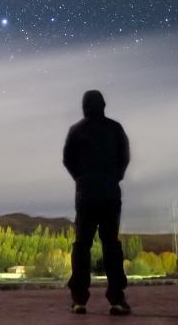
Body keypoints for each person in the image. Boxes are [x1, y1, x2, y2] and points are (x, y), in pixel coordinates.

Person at [63, 89, 131, 316]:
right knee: (111, 245)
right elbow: (124, 157)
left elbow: (68, 160)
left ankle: (79, 299)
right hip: (110, 194)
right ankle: (117, 300)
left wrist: (81, 179)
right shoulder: (115, 128)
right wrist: (114, 177)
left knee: (82, 246)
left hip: (86, 196)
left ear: (84, 106)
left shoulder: (76, 131)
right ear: (103, 105)